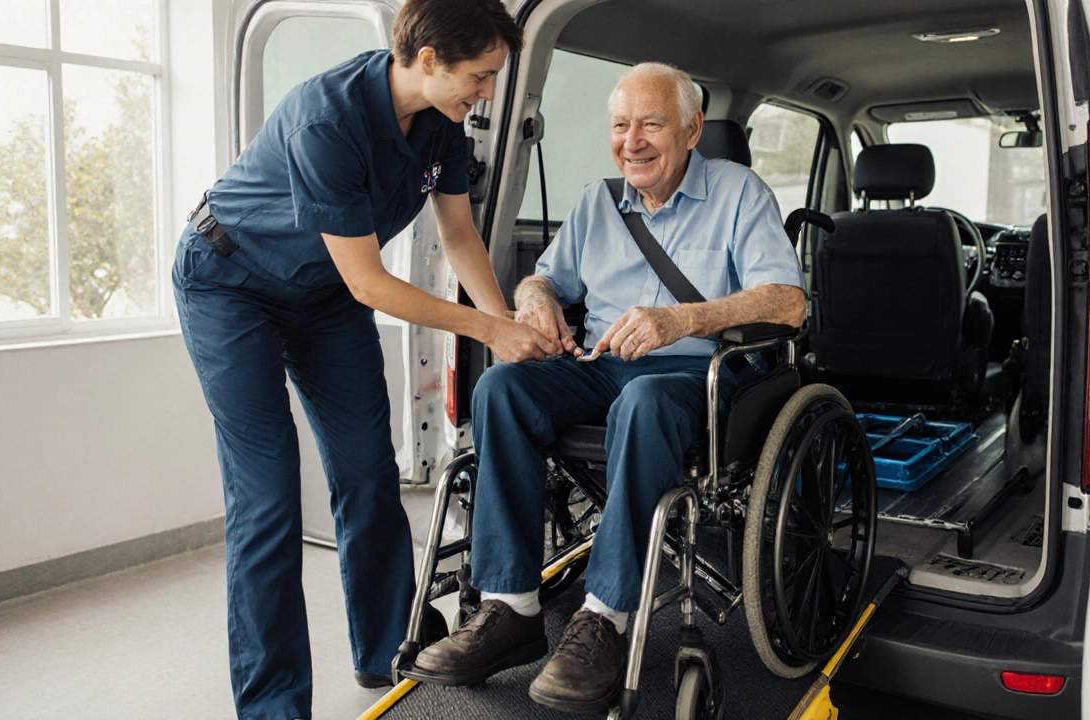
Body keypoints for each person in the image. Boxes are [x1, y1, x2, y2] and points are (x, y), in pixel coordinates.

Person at [172, 1, 556, 718]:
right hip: (230, 282)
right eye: (481, 76)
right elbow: (370, 283)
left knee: (369, 474)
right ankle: (272, 707)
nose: (489, 93)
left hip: (320, 296)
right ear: (430, 59)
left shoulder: (441, 123)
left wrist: (506, 329)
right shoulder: (328, 118)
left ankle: (385, 651)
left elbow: (461, 236)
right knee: (268, 500)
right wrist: (487, 330)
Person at [407, 62, 807, 713]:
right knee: (502, 388)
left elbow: (789, 305)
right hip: (601, 365)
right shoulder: (598, 202)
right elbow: (545, 280)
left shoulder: (739, 192)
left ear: (691, 128)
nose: (633, 141)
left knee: (642, 402)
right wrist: (536, 302)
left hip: (696, 377)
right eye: (621, 126)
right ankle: (511, 606)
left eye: (651, 124)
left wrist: (679, 319)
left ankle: (604, 619)